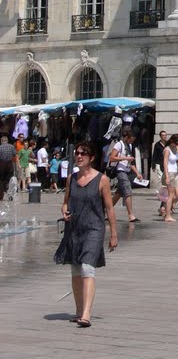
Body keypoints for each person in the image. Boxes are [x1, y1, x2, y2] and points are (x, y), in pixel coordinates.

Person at [54, 140, 118, 328]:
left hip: (94, 229)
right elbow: (65, 202)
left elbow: (109, 209)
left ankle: (86, 314)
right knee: (75, 270)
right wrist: (64, 210)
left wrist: (113, 233)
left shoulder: (102, 180)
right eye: (78, 153)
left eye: (84, 153)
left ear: (92, 158)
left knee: (87, 268)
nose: (79, 156)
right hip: (74, 229)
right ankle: (79, 309)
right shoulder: (71, 179)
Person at [109, 128, 141, 222]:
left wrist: (137, 173)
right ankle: (131, 215)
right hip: (120, 171)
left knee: (119, 193)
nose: (132, 141)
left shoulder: (129, 146)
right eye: (131, 139)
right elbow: (112, 158)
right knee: (128, 191)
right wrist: (125, 158)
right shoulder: (119, 145)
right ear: (126, 137)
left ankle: (105, 209)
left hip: (127, 171)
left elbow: (130, 163)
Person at [162, 133, 178, 222]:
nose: (177, 145)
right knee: (171, 194)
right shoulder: (167, 150)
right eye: (176, 143)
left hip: (175, 173)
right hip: (169, 173)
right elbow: (165, 163)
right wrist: (166, 176)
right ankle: (168, 215)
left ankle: (164, 208)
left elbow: (176, 161)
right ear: (172, 141)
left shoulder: (176, 148)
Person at [0, 135, 16, 201]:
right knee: (10, 180)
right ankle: (10, 195)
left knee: (0, 180)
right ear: (7, 141)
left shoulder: (0, 147)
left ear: (1, 141)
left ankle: (1, 196)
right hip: (10, 164)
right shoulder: (12, 147)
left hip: (1, 164)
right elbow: (15, 154)